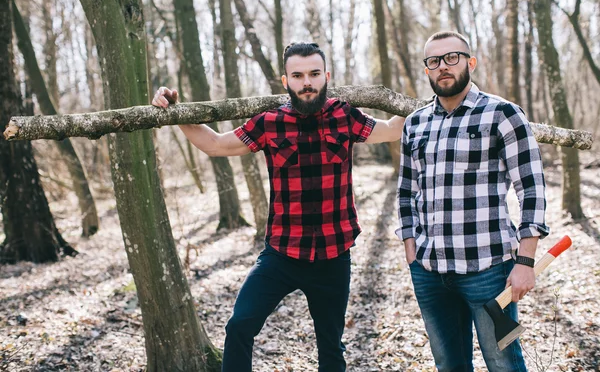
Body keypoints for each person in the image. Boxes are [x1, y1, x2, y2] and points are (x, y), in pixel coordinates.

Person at [152, 42, 404, 372]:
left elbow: (388, 131)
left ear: (326, 76)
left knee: (331, 348)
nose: (307, 82)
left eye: (314, 74)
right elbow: (214, 144)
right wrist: (175, 112)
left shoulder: (345, 116)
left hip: (333, 255)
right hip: (283, 253)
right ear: (285, 81)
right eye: (297, 76)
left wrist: (421, 103)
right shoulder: (269, 123)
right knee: (239, 326)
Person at [396, 31, 549, 372]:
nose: (443, 67)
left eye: (452, 57)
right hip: (430, 273)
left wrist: (525, 260)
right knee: (448, 364)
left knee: (505, 361)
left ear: (470, 62)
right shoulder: (416, 124)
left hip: (490, 271)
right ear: (427, 70)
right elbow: (406, 189)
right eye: (433, 61)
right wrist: (410, 245)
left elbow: (532, 188)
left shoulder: (502, 113)